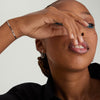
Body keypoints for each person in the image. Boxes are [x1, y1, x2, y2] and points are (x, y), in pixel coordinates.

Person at [0, 0, 100, 100]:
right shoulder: (26, 96)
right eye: (62, 23)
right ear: (40, 44)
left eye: (89, 24)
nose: (79, 31)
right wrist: (16, 26)